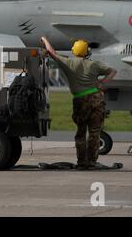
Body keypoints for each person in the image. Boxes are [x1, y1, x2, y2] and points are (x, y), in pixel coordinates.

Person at [40, 37, 117, 170]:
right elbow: (112, 71)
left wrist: (45, 39)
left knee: (81, 132)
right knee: (94, 133)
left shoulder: (69, 63)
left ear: (74, 51)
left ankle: (82, 163)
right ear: (87, 51)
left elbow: (52, 52)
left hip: (80, 100)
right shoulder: (94, 64)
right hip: (96, 98)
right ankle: (91, 162)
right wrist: (102, 83)